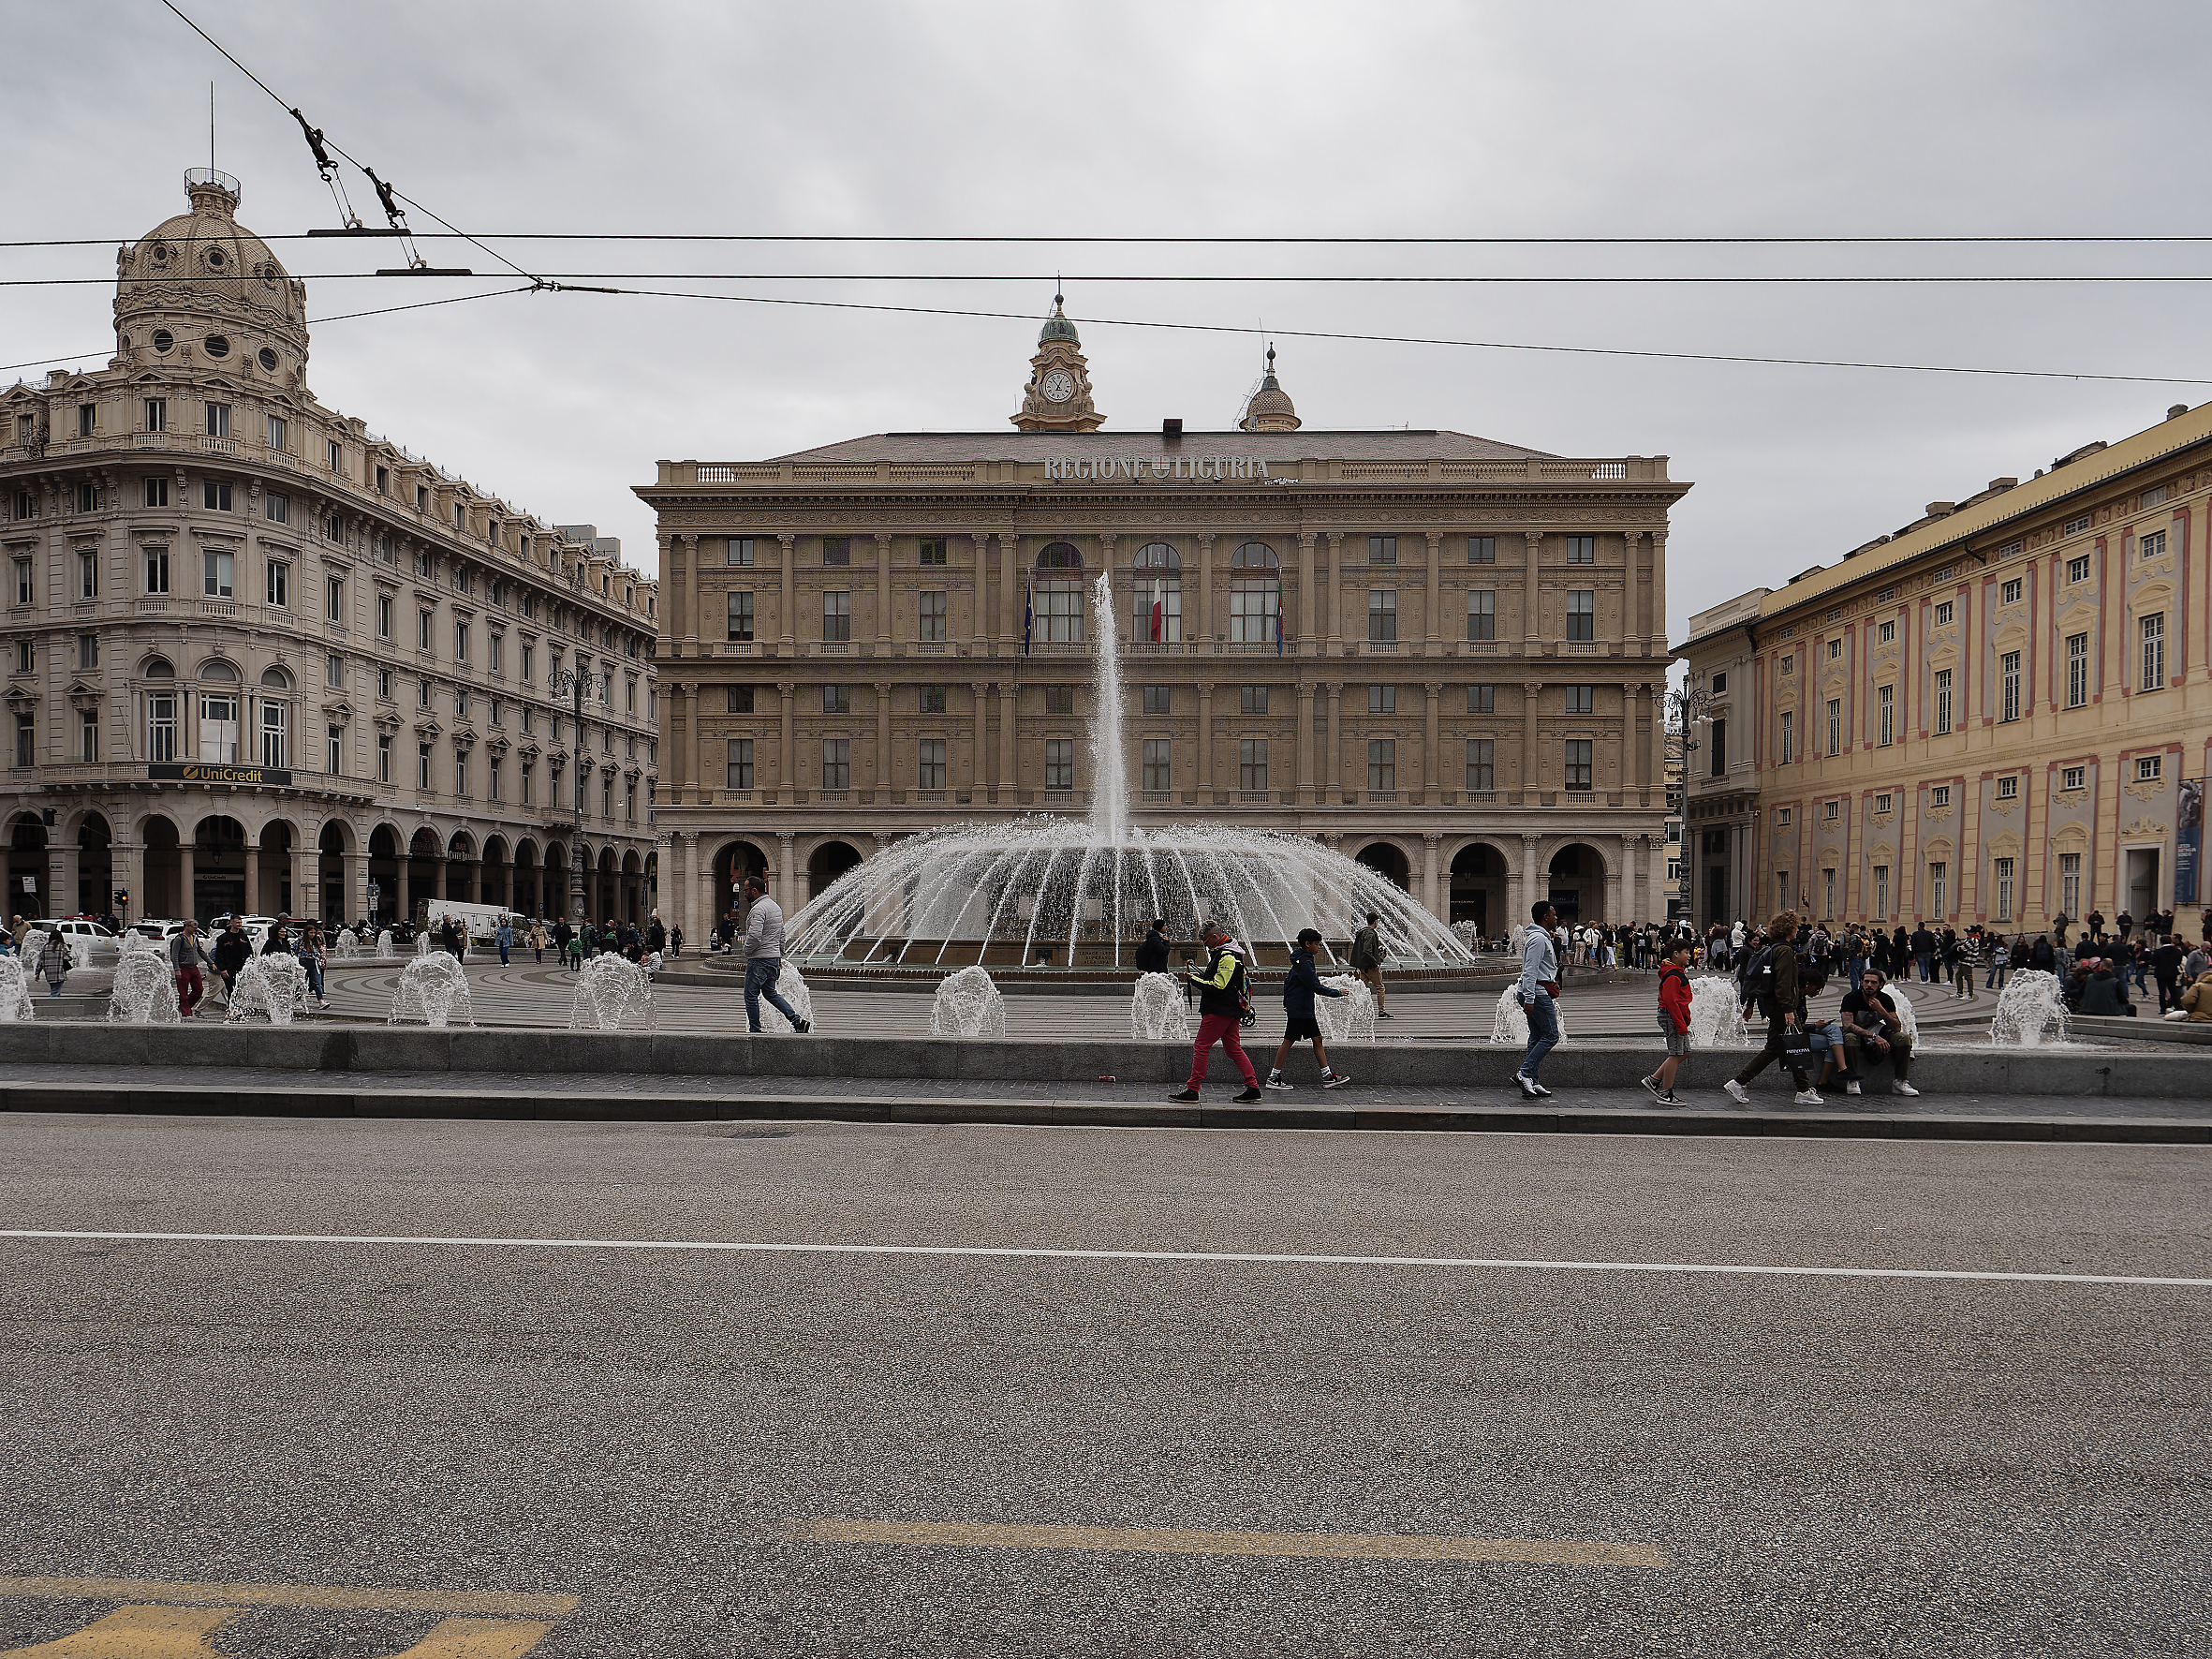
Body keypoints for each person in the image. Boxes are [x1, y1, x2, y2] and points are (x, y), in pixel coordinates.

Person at [1723, 911, 1823, 1107]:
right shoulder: (1785, 951)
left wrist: (1751, 1003)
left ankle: (1803, 1089)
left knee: (1792, 1045)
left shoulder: (1771, 948)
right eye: (1795, 927)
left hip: (1774, 1005)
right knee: (1780, 1047)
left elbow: (1759, 978)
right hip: (1782, 1007)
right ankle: (1739, 1082)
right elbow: (1783, 982)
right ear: (1788, 929)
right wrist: (1788, 1009)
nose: (1797, 930)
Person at [1167, 918, 1262, 1104]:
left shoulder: (1227, 955)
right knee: (1233, 1048)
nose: (1205, 946)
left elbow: (1219, 985)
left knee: (1201, 1046)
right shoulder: (1226, 952)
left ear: (1215, 937)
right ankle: (1253, 1087)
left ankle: (1193, 1089)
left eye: (1206, 942)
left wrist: (1194, 980)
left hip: (1221, 1010)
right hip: (1230, 1009)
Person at [1265, 927, 1351, 1091]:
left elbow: (1288, 980)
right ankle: (1273, 1077)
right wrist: (1337, 993)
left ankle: (1327, 1077)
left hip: (1302, 1008)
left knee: (1317, 1038)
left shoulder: (1300, 960)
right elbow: (1315, 986)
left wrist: (1286, 1001)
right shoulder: (1305, 962)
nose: (1319, 947)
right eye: (1317, 944)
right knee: (1289, 1040)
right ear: (1307, 944)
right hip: (1300, 1009)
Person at [740, 874, 809, 1034]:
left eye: (746, 890)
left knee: (750, 995)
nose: (744, 893)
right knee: (770, 993)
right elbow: (782, 935)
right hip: (772, 959)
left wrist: (746, 952)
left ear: (755, 891)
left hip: (759, 960)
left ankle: (755, 1030)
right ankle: (797, 1021)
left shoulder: (758, 909)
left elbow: (755, 936)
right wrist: (779, 955)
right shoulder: (775, 907)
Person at [1838, 969, 1918, 1097]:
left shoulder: (1885, 999)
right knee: (1850, 1037)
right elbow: (1848, 1025)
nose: (1869, 985)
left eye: (1873, 982)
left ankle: (1900, 1082)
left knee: (1903, 1038)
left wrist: (1881, 1010)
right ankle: (1853, 1079)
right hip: (1859, 1034)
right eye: (1866, 981)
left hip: (1878, 1030)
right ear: (1862, 983)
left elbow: (1897, 1027)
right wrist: (1873, 1036)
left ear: (1881, 985)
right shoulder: (1851, 998)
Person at [1513, 900, 1561, 1101]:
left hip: (1537, 992)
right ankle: (1524, 1073)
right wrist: (1530, 999)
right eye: (1554, 914)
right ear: (1546, 917)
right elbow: (1530, 970)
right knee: (1551, 1036)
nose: (1556, 917)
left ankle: (1532, 1080)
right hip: (1537, 993)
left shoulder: (1541, 937)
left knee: (1536, 1036)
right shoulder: (1539, 940)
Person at [1640, 934, 1695, 1105]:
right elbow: (1672, 1002)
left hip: (1675, 1016)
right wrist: (1680, 1024)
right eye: (1686, 952)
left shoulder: (1676, 973)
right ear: (1676, 954)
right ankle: (1665, 1092)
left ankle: (1654, 1080)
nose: (1689, 955)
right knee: (1675, 1053)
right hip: (1671, 1016)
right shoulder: (1672, 975)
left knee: (1684, 1052)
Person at [1349, 911, 1391, 1017]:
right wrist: (1375, 963)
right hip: (1371, 967)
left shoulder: (1362, 932)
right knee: (1380, 988)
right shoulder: (1370, 934)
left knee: (1361, 988)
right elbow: (1367, 951)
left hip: (1363, 967)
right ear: (1375, 922)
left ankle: (1355, 1011)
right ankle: (1382, 1011)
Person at [169, 921, 206, 1018]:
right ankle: (186, 1011)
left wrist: (211, 963)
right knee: (183, 992)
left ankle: (185, 1006)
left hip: (194, 967)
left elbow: (200, 952)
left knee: (199, 990)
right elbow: (174, 955)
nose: (196, 929)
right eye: (194, 927)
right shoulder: (179, 939)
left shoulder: (195, 938)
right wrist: (177, 970)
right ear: (186, 927)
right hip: (183, 968)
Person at [211, 916, 251, 999]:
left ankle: (235, 1008)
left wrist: (249, 964)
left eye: (240, 922)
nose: (239, 924)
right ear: (231, 923)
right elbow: (219, 954)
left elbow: (249, 951)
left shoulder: (243, 936)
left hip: (241, 967)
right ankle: (231, 1008)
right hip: (228, 968)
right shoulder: (223, 938)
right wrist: (222, 969)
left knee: (238, 989)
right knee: (230, 989)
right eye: (237, 922)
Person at [2153, 934, 2187, 1014]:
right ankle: (2177, 1006)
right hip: (2172, 972)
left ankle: (2163, 1009)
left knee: (2162, 992)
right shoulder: (2176, 950)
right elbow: (2179, 962)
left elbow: (2153, 962)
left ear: (2161, 942)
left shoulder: (2158, 952)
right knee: (2173, 990)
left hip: (2161, 973)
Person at [298, 925, 329, 1010]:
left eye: (314, 933)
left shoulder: (315, 941)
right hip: (304, 962)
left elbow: (319, 951)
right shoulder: (300, 941)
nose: (312, 934)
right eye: (311, 933)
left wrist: (320, 961)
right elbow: (293, 950)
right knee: (301, 982)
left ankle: (321, 1001)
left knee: (317, 982)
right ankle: (297, 999)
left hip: (313, 963)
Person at [37, 927, 70, 999]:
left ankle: (57, 1006)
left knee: (55, 990)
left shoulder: (45, 947)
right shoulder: (62, 946)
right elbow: (69, 958)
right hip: (59, 974)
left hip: (49, 974)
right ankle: (50, 1005)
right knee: (55, 992)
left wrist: (37, 974)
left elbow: (40, 962)